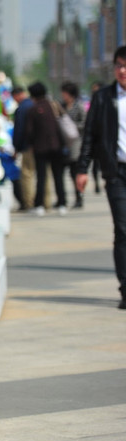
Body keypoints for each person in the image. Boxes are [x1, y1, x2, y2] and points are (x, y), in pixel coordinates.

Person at [76, 45, 126, 309]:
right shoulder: (104, 98)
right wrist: (83, 168)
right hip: (116, 172)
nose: (123, 70)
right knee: (123, 228)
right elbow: (90, 135)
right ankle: (125, 288)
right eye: (119, 65)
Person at [24, 81, 66, 216]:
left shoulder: (32, 110)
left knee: (41, 177)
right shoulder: (54, 106)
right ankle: (62, 203)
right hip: (56, 146)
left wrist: (30, 144)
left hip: (40, 149)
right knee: (58, 176)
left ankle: (39, 205)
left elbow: (29, 132)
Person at [60, 81, 86, 208]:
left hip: (76, 144)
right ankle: (62, 199)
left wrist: (72, 126)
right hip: (64, 145)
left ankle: (79, 197)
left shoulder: (79, 106)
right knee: (65, 173)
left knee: (75, 173)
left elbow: (85, 124)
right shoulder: (62, 107)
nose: (63, 95)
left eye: (64, 92)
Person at [11, 86, 35, 211]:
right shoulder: (33, 105)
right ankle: (45, 201)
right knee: (43, 175)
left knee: (27, 175)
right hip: (39, 146)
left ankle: (28, 202)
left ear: (17, 95)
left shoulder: (21, 109)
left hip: (26, 147)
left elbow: (19, 130)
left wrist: (16, 147)